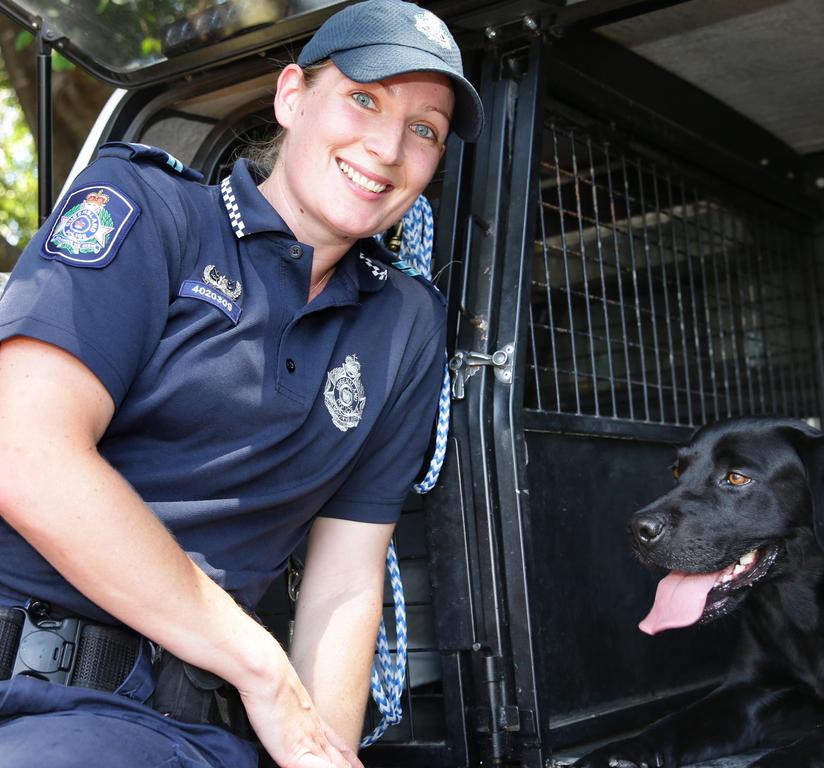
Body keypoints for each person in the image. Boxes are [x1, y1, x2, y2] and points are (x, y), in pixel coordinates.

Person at [0, 1, 482, 766]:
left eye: (424, 129)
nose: (388, 146)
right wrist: (264, 671)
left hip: (176, 724)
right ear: (292, 96)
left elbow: (347, 577)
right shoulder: (150, 210)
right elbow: (24, 453)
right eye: (365, 98)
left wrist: (321, 748)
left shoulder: (405, 325)